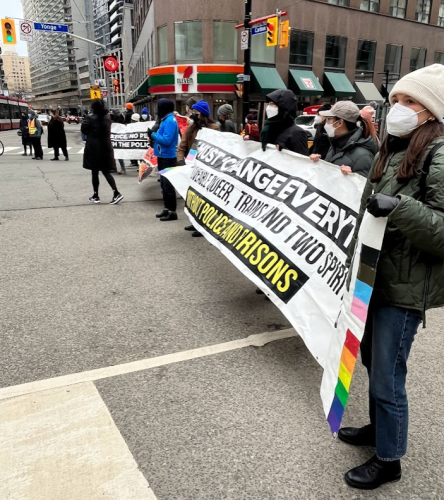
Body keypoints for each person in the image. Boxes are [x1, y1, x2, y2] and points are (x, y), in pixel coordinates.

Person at [339, 64, 444, 490]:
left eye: (411, 102)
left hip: (403, 288)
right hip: (373, 277)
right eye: (396, 100)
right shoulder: (394, 148)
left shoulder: (439, 154)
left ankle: (389, 459)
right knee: (370, 364)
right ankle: (377, 430)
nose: (398, 109)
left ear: (432, 110)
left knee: (387, 376)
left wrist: (398, 208)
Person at [178, 100, 219, 237]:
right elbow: (182, 146)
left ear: (203, 114)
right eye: (192, 111)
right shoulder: (191, 128)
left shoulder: (214, 128)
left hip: (207, 169)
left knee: (204, 197)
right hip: (192, 166)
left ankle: (203, 224)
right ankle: (194, 221)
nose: (193, 114)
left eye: (196, 112)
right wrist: (180, 161)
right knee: (192, 196)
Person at [310, 101, 378, 177]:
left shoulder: (363, 156)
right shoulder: (336, 144)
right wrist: (319, 163)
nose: (326, 123)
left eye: (328, 119)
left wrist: (351, 177)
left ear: (339, 123)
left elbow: (364, 186)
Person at [81, 99, 123, 205]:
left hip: (93, 148)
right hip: (105, 146)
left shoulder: (90, 117)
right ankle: (112, 193)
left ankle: (100, 194)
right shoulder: (107, 117)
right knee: (105, 171)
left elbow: (83, 130)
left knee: (94, 172)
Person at [149, 99, 179, 221]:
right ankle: (167, 209)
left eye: (158, 107)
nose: (157, 109)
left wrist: (153, 135)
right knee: (163, 185)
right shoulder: (165, 120)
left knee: (168, 186)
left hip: (168, 157)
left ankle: (172, 212)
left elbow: (166, 140)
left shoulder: (170, 121)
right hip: (162, 156)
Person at [260, 89, 309, 156]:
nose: (268, 107)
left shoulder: (297, 133)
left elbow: (302, 161)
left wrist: (285, 151)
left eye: (272, 104)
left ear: (284, 108)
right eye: (268, 104)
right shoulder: (268, 129)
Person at [110, 109, 126, 175]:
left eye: (112, 112)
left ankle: (121, 168)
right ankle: (116, 167)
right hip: (115, 138)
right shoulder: (116, 118)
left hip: (117, 138)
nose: (110, 113)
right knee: (114, 153)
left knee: (118, 153)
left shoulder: (118, 119)